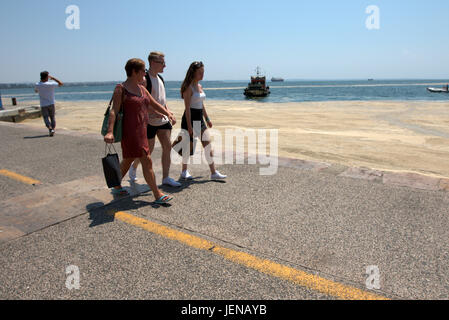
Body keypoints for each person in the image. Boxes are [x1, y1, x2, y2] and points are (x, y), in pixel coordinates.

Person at [104, 58, 174, 204]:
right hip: (130, 133)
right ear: (134, 71)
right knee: (146, 160)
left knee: (129, 159)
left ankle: (116, 185)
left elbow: (154, 104)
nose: (144, 73)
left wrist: (168, 114)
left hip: (142, 130)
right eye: (142, 70)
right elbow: (114, 111)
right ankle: (157, 194)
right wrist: (110, 131)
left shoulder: (142, 89)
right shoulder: (121, 88)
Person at [129, 52, 181, 187]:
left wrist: (168, 112)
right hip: (148, 121)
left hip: (162, 120)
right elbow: (143, 102)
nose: (165, 65)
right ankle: (134, 166)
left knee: (167, 147)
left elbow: (162, 100)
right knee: (148, 151)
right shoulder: (144, 79)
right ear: (153, 63)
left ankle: (166, 178)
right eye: (162, 63)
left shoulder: (161, 78)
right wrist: (155, 112)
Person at [179, 61, 227, 180]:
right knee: (187, 146)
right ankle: (184, 171)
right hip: (190, 118)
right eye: (200, 72)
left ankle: (213, 172)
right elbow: (188, 108)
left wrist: (207, 118)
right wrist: (189, 126)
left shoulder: (199, 86)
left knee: (207, 144)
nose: (202, 74)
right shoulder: (188, 88)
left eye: (203, 72)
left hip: (200, 118)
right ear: (193, 72)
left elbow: (201, 104)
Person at [34, 71, 63, 136]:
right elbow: (61, 83)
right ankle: (52, 129)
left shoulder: (37, 84)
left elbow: (36, 91)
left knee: (46, 118)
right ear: (47, 77)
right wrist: (53, 78)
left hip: (43, 104)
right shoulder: (51, 84)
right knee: (52, 117)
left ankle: (50, 129)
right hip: (51, 103)